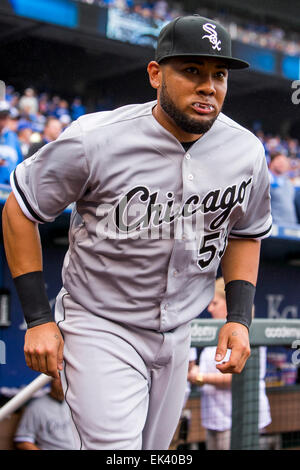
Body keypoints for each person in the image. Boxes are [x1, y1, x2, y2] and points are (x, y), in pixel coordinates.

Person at [2, 14, 272, 450]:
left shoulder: (246, 151)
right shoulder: (96, 138)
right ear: (155, 74)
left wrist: (239, 318)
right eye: (191, 71)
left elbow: (246, 232)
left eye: (218, 74)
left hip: (179, 329)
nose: (208, 86)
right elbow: (20, 208)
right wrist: (37, 320)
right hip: (101, 324)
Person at [188, 278, 271, 450]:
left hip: (239, 420)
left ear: (229, 303)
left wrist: (200, 377)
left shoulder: (245, 330)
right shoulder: (215, 331)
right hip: (214, 417)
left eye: (215, 303)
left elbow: (237, 376)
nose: (209, 308)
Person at [14, 377, 75, 450]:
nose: (61, 382)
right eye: (58, 378)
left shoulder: (74, 402)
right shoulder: (35, 407)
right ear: (50, 381)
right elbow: (23, 442)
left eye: (64, 378)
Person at [268, 151, 299, 226]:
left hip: (292, 225)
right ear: (271, 162)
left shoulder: (288, 183)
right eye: (279, 160)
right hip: (274, 225)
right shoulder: (266, 179)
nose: (282, 163)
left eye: (285, 162)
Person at [0, 101, 23, 185]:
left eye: (5, 116)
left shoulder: (13, 137)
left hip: (9, 188)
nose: (3, 119)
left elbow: (20, 162)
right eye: (1, 116)